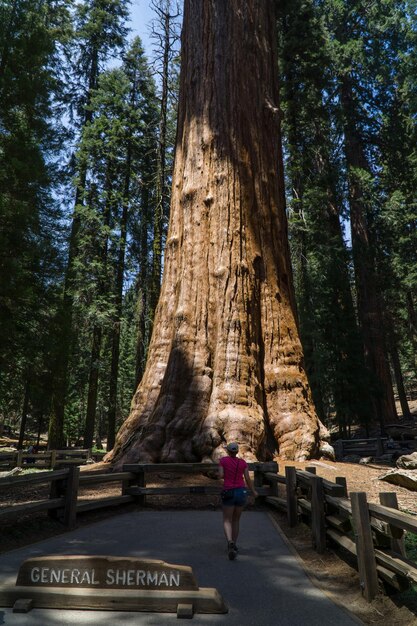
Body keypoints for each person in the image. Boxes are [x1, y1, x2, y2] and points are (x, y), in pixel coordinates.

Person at [218, 442, 258, 560]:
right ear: (237, 451)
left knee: (227, 519)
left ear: (228, 451)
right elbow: (247, 478)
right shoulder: (242, 463)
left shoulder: (223, 461)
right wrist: (254, 491)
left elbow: (220, 475)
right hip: (241, 492)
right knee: (236, 520)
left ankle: (230, 542)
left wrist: (220, 474)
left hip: (228, 492)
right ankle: (234, 544)